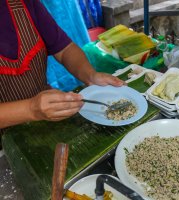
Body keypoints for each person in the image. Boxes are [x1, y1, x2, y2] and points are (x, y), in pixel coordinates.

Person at [0, 0, 125, 130]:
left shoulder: (25, 4)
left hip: (45, 118)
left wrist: (90, 75)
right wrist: (31, 109)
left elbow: (65, 49)